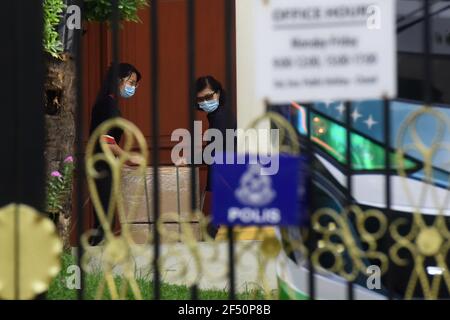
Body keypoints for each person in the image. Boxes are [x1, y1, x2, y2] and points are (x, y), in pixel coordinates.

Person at [88, 63, 142, 245]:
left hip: (103, 164)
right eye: (131, 82)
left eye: (135, 84)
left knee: (105, 218)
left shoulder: (107, 102)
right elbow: (107, 140)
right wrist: (129, 158)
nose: (133, 88)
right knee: (105, 222)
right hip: (102, 166)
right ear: (119, 80)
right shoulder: (108, 104)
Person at [195, 76, 236, 238]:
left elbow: (216, 150)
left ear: (218, 93)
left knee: (212, 230)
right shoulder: (217, 115)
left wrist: (190, 159)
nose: (205, 102)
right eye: (200, 99)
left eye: (208, 97)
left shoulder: (221, 117)